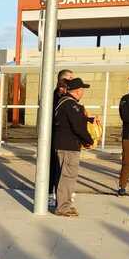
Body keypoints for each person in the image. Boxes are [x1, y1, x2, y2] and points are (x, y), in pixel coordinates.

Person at [52, 77, 94, 217]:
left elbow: (73, 121)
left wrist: (89, 119)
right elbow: (78, 127)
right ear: (77, 91)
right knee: (68, 177)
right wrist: (88, 140)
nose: (83, 92)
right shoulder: (71, 105)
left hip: (63, 144)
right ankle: (63, 207)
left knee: (64, 176)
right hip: (69, 146)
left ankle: (64, 204)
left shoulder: (63, 102)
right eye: (82, 89)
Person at [49, 70, 72, 208]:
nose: (72, 80)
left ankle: (59, 194)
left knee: (60, 167)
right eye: (69, 78)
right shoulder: (55, 96)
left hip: (61, 135)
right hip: (54, 135)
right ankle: (50, 194)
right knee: (54, 166)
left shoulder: (66, 96)